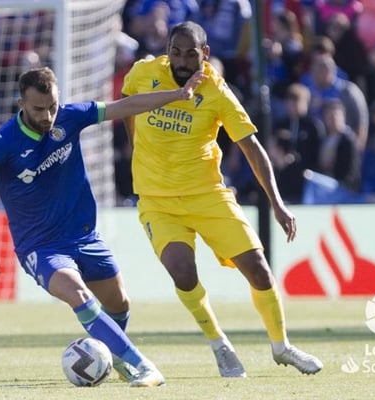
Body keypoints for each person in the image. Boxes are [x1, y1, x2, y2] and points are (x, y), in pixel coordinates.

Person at [0, 66, 203, 387]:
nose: (48, 116)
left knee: (119, 303)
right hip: (41, 248)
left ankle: (112, 359)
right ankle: (142, 365)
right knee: (78, 294)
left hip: (84, 237)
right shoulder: (2, 142)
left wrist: (178, 94)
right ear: (21, 104)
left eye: (53, 106)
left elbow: (127, 106)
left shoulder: (70, 117)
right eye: (39, 109)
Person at [121, 21, 323, 378]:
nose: (182, 61)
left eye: (190, 54)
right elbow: (127, 105)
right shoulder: (143, 73)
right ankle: (220, 345)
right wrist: (137, 145)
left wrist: (277, 203)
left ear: (205, 53)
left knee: (258, 269)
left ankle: (282, 346)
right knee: (183, 272)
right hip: (157, 200)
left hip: (207, 195)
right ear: (167, 50)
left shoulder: (217, 91)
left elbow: (252, 148)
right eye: (176, 52)